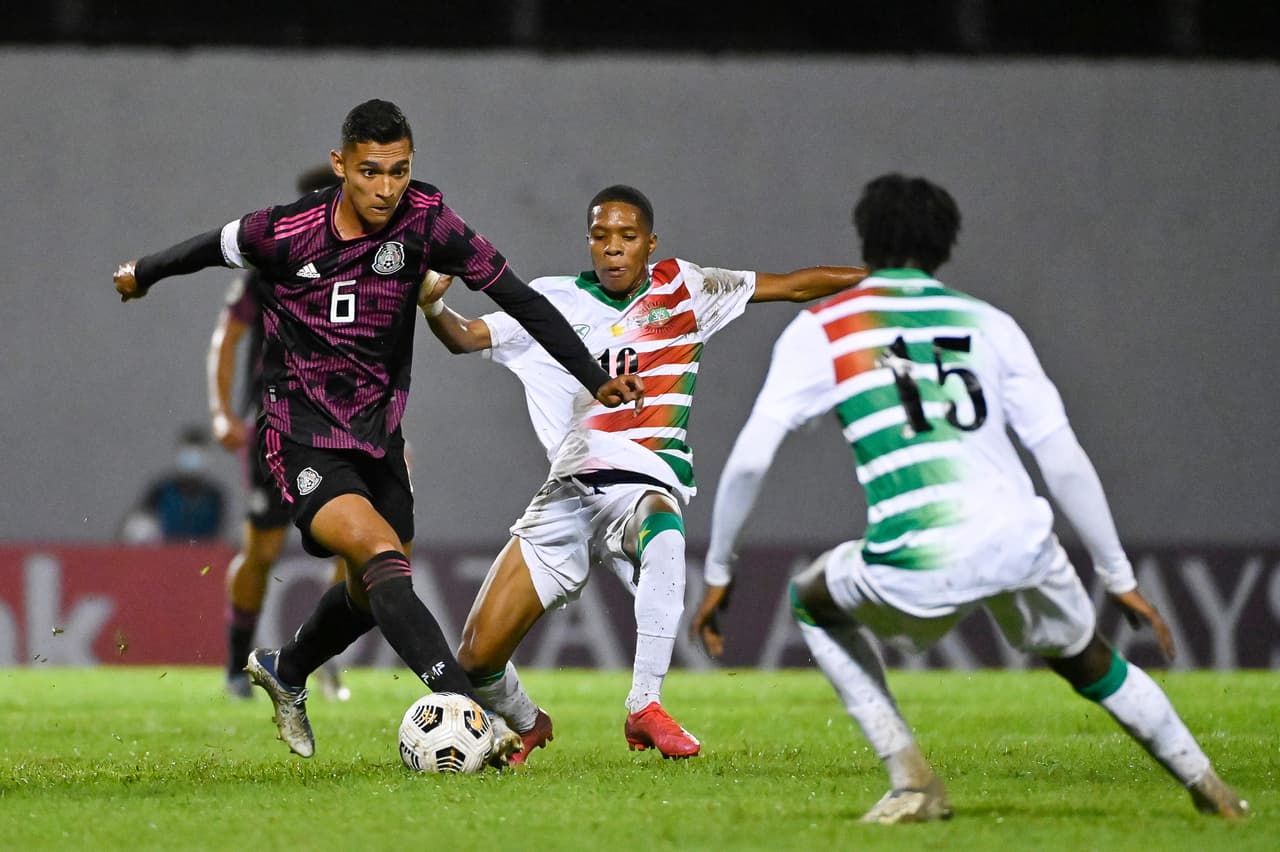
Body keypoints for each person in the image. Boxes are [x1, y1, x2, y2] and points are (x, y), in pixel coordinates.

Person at [691, 173, 1247, 822]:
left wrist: (720, 570)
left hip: (919, 551)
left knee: (812, 601)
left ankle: (912, 781)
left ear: (864, 239)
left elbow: (750, 460)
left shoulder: (825, 329)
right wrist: (1117, 575)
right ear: (945, 245)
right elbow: (1061, 457)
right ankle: (1214, 790)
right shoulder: (988, 323)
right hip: (1020, 539)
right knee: (1089, 660)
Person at [113, 99, 643, 762]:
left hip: (378, 438)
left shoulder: (427, 220)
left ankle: (286, 668)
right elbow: (207, 248)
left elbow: (520, 299)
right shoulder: (286, 231)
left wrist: (595, 377)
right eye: (370, 172)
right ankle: (472, 716)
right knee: (382, 559)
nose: (386, 188)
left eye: (399, 171)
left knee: (370, 595)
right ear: (341, 165)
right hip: (301, 435)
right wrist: (142, 273)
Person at [419, 184, 867, 762]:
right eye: (601, 236)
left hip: (643, 482)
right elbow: (465, 337)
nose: (613, 248)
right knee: (476, 660)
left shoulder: (686, 289)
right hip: (568, 492)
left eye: (627, 237)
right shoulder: (552, 300)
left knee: (664, 531)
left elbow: (794, 285)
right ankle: (529, 723)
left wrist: (885, 281)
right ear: (588, 241)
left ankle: (644, 705)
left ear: (650, 243)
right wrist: (432, 306)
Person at [208, 164, 351, 701]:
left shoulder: (362, 268)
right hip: (276, 425)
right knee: (263, 549)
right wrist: (222, 412)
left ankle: (321, 656)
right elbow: (227, 337)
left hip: (341, 427)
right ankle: (234, 666)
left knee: (357, 543)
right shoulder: (269, 267)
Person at [119, 424, 226, 543]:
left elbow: (217, 533)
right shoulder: (161, 490)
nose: (192, 460)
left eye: (197, 455)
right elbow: (138, 524)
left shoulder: (214, 496)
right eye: (188, 454)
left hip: (200, 550)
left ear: (207, 458)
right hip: (164, 550)